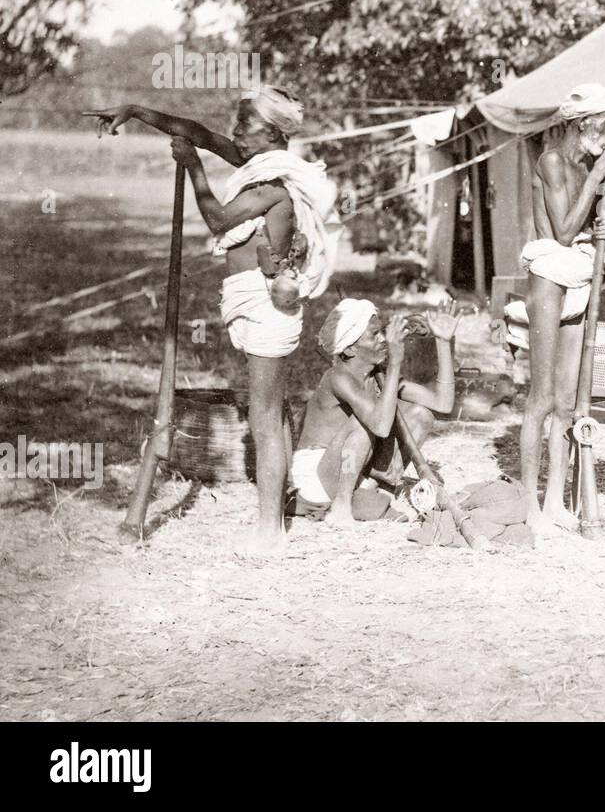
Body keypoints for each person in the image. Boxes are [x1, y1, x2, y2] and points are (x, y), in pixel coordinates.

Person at [86, 88, 340, 550]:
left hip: (268, 305)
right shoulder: (254, 163)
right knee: (272, 412)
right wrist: (135, 111)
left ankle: (269, 533)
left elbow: (219, 221)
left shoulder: (272, 185)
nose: (237, 134)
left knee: (263, 417)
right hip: (252, 301)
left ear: (273, 134)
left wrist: (193, 167)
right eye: (238, 126)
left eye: (245, 127)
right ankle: (277, 507)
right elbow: (199, 133)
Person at [519, 82, 605, 533]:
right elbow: (562, 231)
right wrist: (598, 177)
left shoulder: (585, 165)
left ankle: (556, 501)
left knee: (565, 403)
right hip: (549, 278)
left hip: (581, 274)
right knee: (540, 398)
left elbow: (587, 226)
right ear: (584, 124)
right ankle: (528, 506)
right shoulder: (553, 161)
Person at [296, 299, 458, 524]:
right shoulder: (337, 377)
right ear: (351, 348)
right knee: (364, 422)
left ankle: (380, 488)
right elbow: (380, 426)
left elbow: (443, 403)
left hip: (350, 468)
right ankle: (342, 506)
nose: (383, 340)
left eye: (383, 332)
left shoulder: (378, 376)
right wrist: (395, 364)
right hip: (317, 473)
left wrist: (443, 340)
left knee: (421, 414)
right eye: (375, 335)